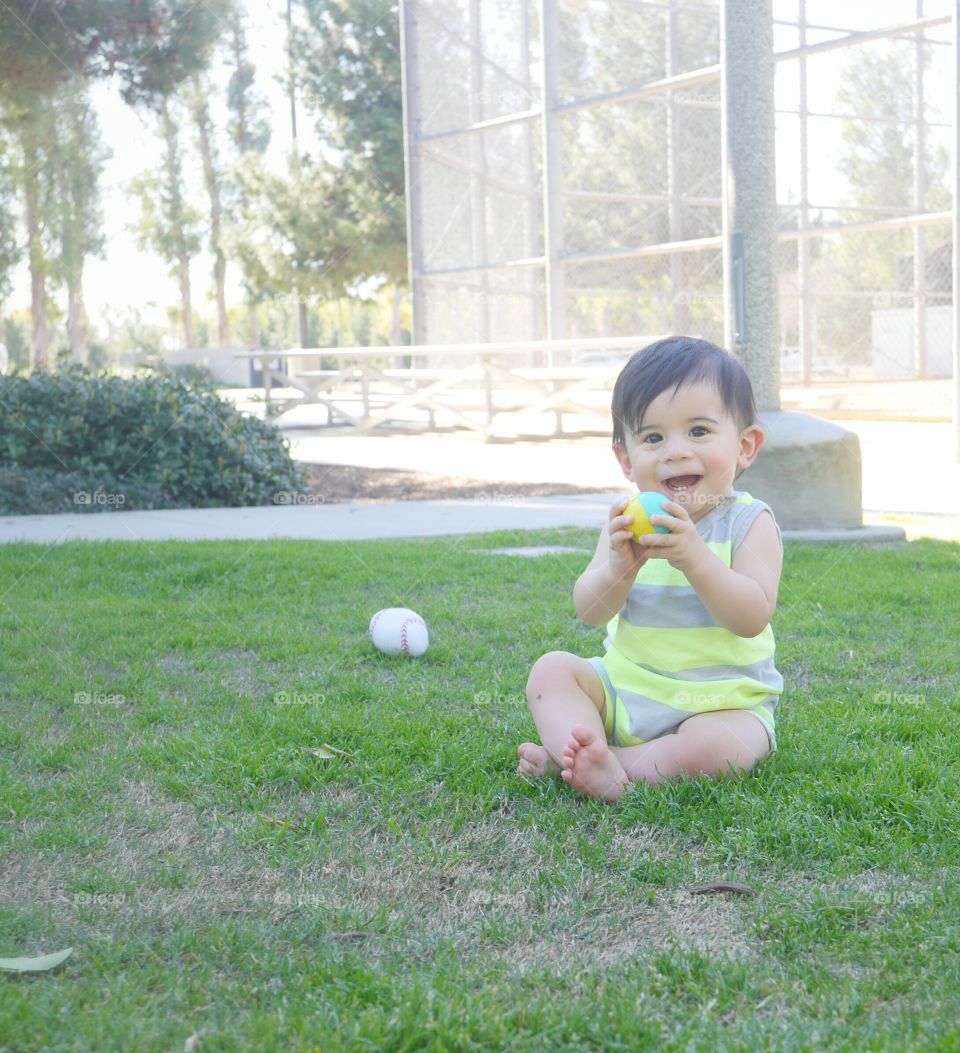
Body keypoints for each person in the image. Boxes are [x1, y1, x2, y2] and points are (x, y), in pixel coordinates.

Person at [517, 336, 783, 802]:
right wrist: (620, 567)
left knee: (726, 747)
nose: (675, 451)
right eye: (653, 437)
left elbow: (752, 616)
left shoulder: (749, 522)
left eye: (699, 431)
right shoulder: (626, 522)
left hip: (718, 706)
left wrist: (695, 558)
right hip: (624, 694)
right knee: (551, 672)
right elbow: (591, 611)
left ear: (745, 446)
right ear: (626, 458)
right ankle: (588, 755)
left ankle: (595, 765)